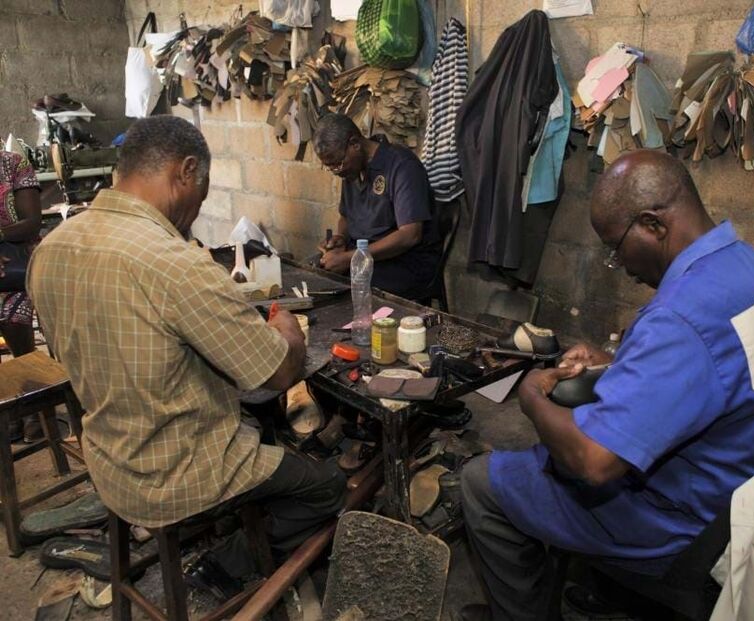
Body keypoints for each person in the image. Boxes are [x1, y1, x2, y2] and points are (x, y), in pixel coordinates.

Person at [458, 151, 754, 621]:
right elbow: (717, 367)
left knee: (481, 480)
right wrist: (622, 362)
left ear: (653, 224)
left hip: (685, 526)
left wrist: (531, 398)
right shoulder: (751, 267)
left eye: (616, 247)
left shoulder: (680, 316)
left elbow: (593, 463)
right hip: (744, 490)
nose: (617, 263)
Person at [28, 116, 346, 595]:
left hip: (110, 462)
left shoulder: (50, 249)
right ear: (186, 171)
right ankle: (227, 564)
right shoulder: (175, 263)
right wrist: (286, 331)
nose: (196, 213)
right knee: (327, 486)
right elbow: (278, 373)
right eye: (201, 196)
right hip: (179, 474)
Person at [313, 113, 441, 300]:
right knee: (314, 272)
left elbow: (410, 234)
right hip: (363, 255)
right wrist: (340, 237)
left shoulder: (402, 166)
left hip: (403, 263)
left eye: (338, 164)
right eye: (330, 167)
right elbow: (346, 216)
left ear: (355, 144)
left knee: (344, 288)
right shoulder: (351, 170)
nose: (335, 171)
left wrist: (351, 258)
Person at [0, 150, 43, 442]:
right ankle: (9, 404)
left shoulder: (14, 163)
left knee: (12, 317)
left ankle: (30, 404)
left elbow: (31, 222)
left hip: (15, 265)